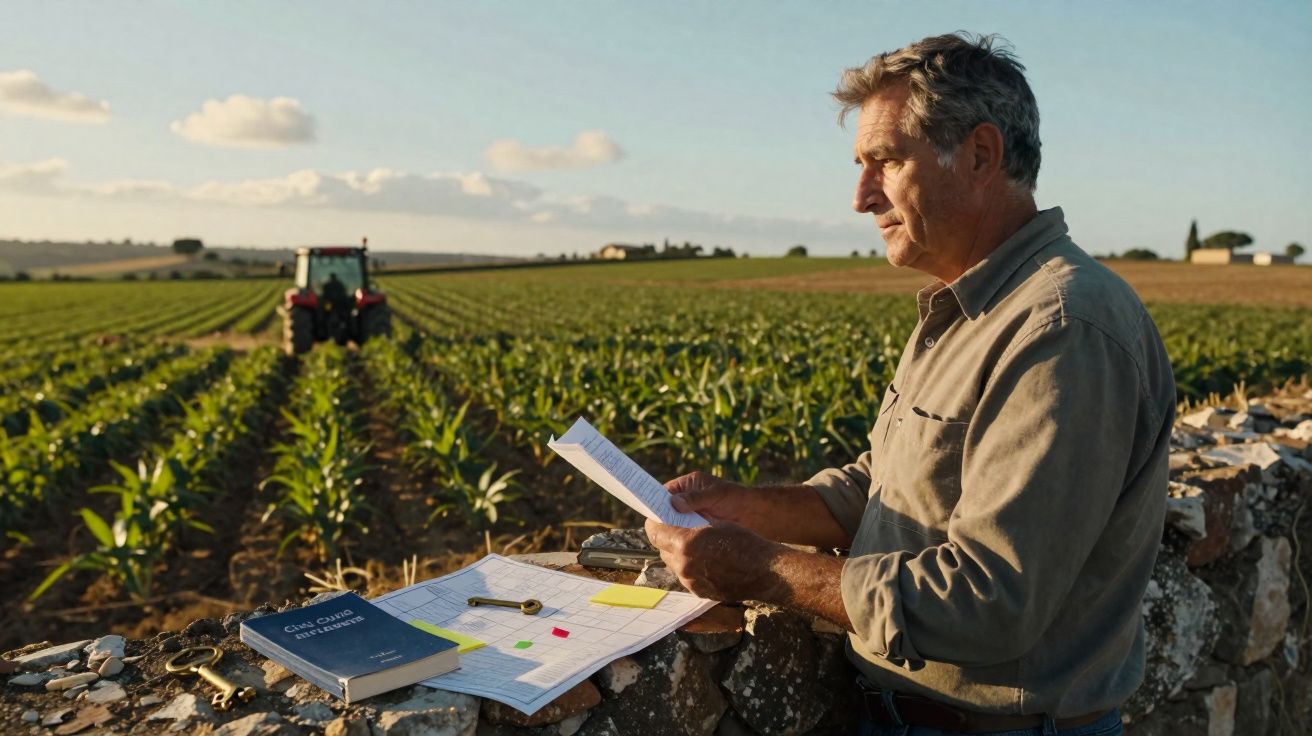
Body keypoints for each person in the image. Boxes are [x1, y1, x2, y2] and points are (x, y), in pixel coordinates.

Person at [644, 33, 1174, 735]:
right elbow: (889, 487)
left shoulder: (1062, 329)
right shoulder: (966, 304)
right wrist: (745, 507)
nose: (862, 197)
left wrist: (762, 570)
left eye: (886, 163)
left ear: (981, 155)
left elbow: (991, 604)